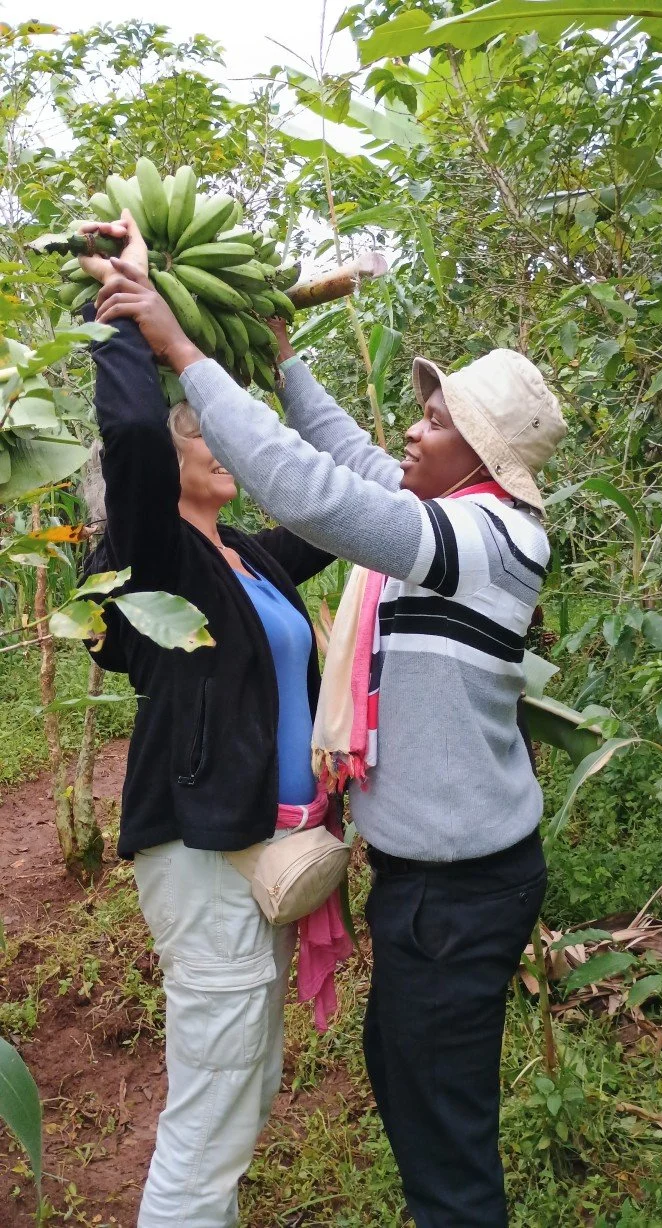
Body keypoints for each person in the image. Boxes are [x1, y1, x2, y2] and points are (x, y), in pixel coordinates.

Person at [95, 242, 568, 1228]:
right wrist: (277, 362)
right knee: (380, 1095)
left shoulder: (474, 538)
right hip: (370, 878)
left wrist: (184, 348)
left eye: (433, 420)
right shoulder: (440, 521)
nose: (410, 427)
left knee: (429, 1134)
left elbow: (323, 494)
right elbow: (353, 473)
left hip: (449, 890)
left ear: (479, 453)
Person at [78, 215, 350, 1228]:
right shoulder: (154, 561)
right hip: (206, 855)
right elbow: (139, 436)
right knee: (210, 1120)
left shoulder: (248, 554)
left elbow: (337, 509)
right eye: (202, 429)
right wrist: (129, 321)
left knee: (246, 1085)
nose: (213, 439)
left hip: (261, 854)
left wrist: (282, 367)